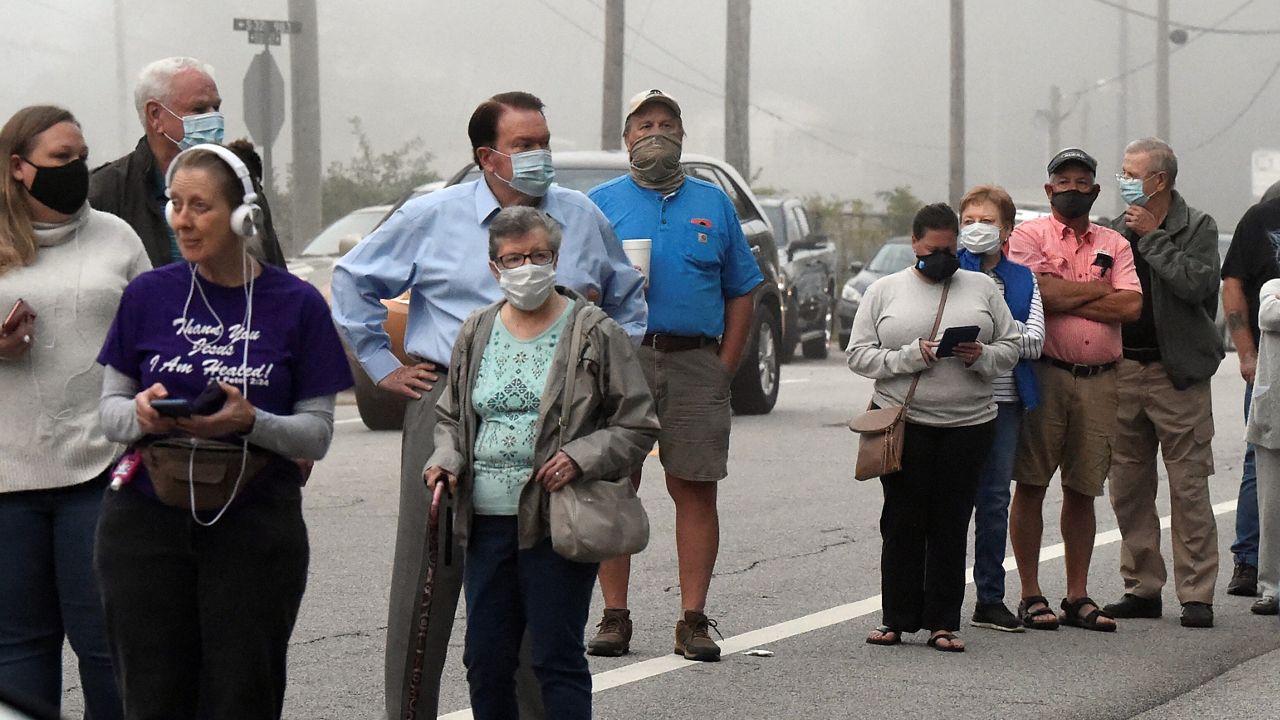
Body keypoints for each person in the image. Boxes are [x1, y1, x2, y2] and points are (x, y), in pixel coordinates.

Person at [328, 90, 645, 719]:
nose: (540, 157)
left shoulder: (579, 216)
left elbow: (628, 298)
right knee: (429, 571)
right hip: (448, 401)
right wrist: (385, 367)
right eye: (524, 146)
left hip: (558, 415)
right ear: (486, 156)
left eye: (544, 143)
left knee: (537, 577)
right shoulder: (434, 214)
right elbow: (352, 280)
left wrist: (604, 378)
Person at [94, 143, 353, 717]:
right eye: (174, 204)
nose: (182, 220)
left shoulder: (298, 304)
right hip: (145, 521)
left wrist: (250, 421)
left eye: (200, 206)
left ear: (243, 216)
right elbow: (108, 415)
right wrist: (140, 413)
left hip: (255, 524)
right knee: (152, 697)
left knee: (243, 694)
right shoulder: (148, 295)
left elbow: (315, 435)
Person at [423, 206, 657, 720]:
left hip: (558, 520)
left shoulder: (595, 332)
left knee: (556, 656)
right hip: (485, 523)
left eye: (538, 256)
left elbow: (637, 424)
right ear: (494, 268)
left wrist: (580, 456)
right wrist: (446, 457)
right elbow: (451, 417)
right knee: (485, 659)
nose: (526, 267)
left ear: (556, 259)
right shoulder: (475, 331)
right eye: (513, 258)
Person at [586, 89, 763, 661]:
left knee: (694, 487)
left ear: (682, 135)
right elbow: (573, 288)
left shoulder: (712, 204)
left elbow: (743, 290)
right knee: (615, 485)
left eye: (666, 123)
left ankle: (693, 619)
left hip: (695, 363)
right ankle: (614, 616)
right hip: (621, 361)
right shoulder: (599, 205)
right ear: (627, 138)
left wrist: (725, 367)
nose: (654, 133)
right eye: (644, 124)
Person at [0, 105, 148, 720]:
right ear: (18, 168)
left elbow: (155, 338)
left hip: (101, 470)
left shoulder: (116, 235)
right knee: (16, 653)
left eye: (82, 156)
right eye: (61, 160)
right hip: (7, 482)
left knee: (111, 649)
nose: (78, 170)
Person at [849, 202, 1021, 652]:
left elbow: (1012, 346)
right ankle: (896, 618)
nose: (942, 258)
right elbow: (858, 354)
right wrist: (909, 355)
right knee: (903, 519)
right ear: (914, 244)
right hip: (905, 421)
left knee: (951, 521)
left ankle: (944, 621)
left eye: (950, 248)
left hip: (970, 423)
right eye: (932, 250)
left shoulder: (981, 287)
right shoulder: (885, 291)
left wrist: (982, 356)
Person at [1007, 148, 1142, 632]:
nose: (1072, 188)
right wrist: (1099, 291)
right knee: (1032, 483)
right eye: (1062, 181)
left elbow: (1131, 308)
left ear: (1096, 189)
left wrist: (1066, 292)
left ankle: (1077, 595)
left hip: (1101, 380)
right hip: (1046, 373)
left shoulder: (1115, 242)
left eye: (1082, 181)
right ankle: (1030, 594)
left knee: (1083, 489)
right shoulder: (1028, 235)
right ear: (1049, 190)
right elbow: (1035, 293)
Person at [1098, 138, 1222, 629]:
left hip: (1179, 376)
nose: (1124, 179)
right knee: (1127, 486)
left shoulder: (1198, 227)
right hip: (1124, 370)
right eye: (1122, 171)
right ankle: (1142, 587)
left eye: (1133, 172)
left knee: (1189, 487)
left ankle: (1197, 595)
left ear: (1160, 181)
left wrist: (1153, 238)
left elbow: (1198, 285)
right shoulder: (1111, 231)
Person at [89, 56, 286, 268]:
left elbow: (273, 271)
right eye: (199, 109)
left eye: (216, 107)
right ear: (155, 115)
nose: (214, 118)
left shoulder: (240, 182)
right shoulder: (105, 193)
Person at [956, 185, 1045, 632]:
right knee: (948, 501)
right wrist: (1005, 337)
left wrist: (987, 338)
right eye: (969, 220)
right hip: (953, 402)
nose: (977, 229)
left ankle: (990, 597)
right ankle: (940, 600)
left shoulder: (1023, 278)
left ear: (1007, 229)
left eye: (987, 221)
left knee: (993, 502)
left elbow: (1035, 341)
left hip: (1005, 404)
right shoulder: (947, 273)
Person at [1221, 190, 1280, 601]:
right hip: (1270, 365)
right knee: (1258, 459)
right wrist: (1245, 353)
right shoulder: (1262, 218)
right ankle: (1249, 559)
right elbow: (1233, 284)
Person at [1248, 278, 1280, 619]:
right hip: (1273, 415)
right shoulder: (1272, 285)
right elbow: (1269, 315)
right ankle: (1271, 587)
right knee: (1271, 507)